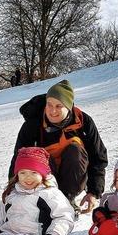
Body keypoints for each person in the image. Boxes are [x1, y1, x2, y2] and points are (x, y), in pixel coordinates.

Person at [8, 79, 108, 215]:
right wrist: (12, 194)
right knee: (37, 155)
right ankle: (41, 202)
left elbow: (98, 158)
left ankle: (67, 199)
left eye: (58, 106)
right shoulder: (32, 125)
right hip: (43, 180)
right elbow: (19, 159)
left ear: (69, 106)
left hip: (73, 177)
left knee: (75, 150)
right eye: (49, 104)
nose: (52, 111)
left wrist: (93, 192)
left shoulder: (84, 122)